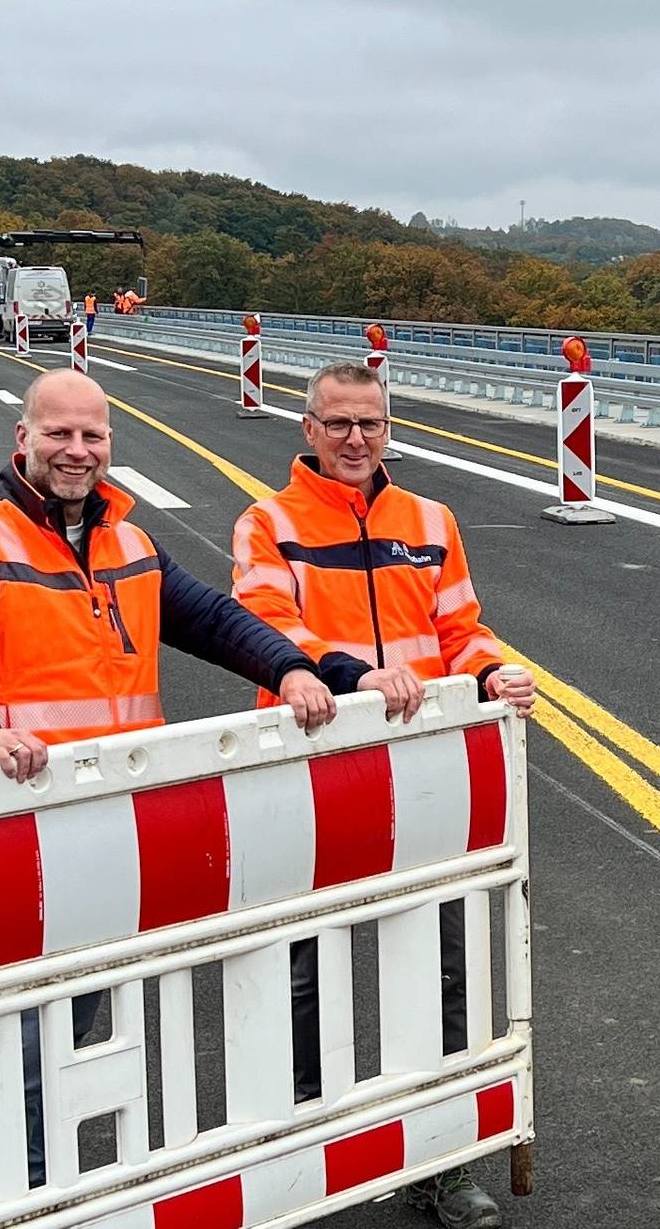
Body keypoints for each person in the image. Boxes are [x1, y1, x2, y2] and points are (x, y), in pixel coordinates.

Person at [0, 368, 340, 1206]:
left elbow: (212, 619)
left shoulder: (129, 546)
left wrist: (290, 668)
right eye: (59, 434)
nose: (77, 451)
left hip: (121, 831)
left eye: (92, 436)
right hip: (30, 830)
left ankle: (49, 1193)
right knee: (32, 1036)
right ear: (23, 440)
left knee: (79, 1027)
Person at [229, 359, 536, 1229]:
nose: (356, 439)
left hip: (420, 773)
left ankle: (439, 1157)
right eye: (338, 424)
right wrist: (356, 676)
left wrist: (492, 672)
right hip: (312, 772)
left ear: (388, 428)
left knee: (440, 967)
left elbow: (459, 629)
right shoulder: (269, 522)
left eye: (370, 423)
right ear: (309, 430)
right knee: (304, 971)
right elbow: (267, 627)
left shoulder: (430, 521)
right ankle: (305, 1150)